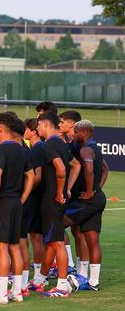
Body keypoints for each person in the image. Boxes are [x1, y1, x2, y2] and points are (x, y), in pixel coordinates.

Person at [0, 113, 34, 304]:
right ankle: (17, 292)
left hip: (2, 202)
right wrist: (23, 198)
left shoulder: (2, 150)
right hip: (16, 203)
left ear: (1, 129)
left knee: (1, 247)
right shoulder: (22, 150)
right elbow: (31, 175)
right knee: (15, 247)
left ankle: (2, 294)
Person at [29, 111, 72, 297]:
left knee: (57, 242)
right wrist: (67, 189)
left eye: (38, 125)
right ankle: (40, 279)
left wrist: (60, 191)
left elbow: (61, 168)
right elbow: (75, 165)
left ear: (45, 124)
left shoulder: (50, 145)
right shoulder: (60, 143)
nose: (37, 129)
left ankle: (62, 286)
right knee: (52, 242)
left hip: (52, 200)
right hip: (55, 199)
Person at [65, 120, 107, 291]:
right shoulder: (94, 147)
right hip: (98, 199)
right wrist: (98, 188)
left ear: (83, 132)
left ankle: (68, 267)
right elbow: (105, 169)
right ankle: (92, 282)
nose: (73, 135)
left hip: (87, 200)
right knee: (92, 239)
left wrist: (90, 191)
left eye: (75, 132)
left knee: (55, 224)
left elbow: (89, 168)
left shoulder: (85, 149)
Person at [22, 118, 45, 293]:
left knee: (36, 237)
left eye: (26, 129)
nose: (24, 132)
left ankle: (38, 277)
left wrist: (25, 191)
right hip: (37, 198)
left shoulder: (37, 149)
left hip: (36, 199)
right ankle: (38, 275)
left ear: (33, 131)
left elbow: (37, 176)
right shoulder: (35, 148)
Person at [59, 110, 83, 273]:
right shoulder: (69, 143)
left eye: (62, 121)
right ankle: (78, 269)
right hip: (73, 196)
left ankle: (72, 267)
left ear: (71, 123)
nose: (60, 124)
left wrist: (92, 189)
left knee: (59, 227)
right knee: (77, 232)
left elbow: (102, 168)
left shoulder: (81, 145)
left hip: (79, 197)